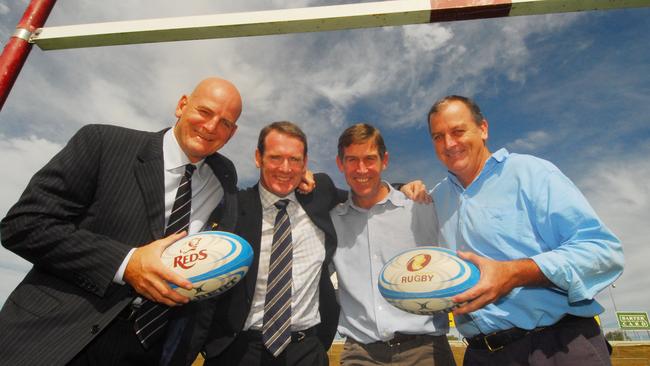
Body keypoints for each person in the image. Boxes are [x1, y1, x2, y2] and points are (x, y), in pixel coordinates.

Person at [0, 77, 243, 365]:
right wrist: (126, 264)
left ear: (232, 133)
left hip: (144, 349)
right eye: (205, 111)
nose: (211, 127)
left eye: (225, 123)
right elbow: (23, 224)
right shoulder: (102, 142)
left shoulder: (224, 179)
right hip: (52, 337)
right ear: (182, 105)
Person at [427, 95, 624, 365]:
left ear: (483, 129)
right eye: (438, 136)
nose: (449, 143)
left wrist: (514, 273)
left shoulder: (531, 173)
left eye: (458, 131)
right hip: (480, 355)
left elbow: (602, 252)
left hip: (556, 347)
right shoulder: (436, 199)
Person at [330, 123, 456, 366]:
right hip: (360, 354)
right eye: (352, 160)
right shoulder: (332, 221)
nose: (362, 168)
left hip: (424, 351)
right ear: (340, 164)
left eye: (369, 158)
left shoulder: (420, 207)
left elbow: (451, 262)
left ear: (384, 160)